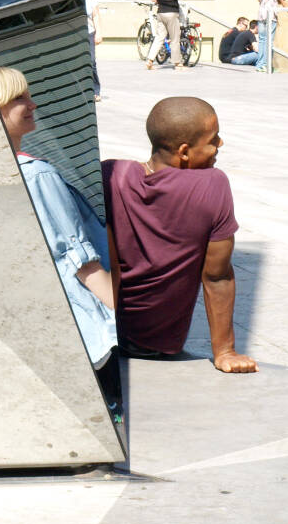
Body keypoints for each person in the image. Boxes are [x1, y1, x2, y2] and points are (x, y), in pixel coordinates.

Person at [102, 96, 258, 373]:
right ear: (184, 151)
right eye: (213, 139)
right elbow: (217, 276)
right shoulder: (212, 185)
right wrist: (225, 352)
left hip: (106, 336)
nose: (220, 144)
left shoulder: (111, 174)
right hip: (156, 345)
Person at [0, 66, 118, 375]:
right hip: (89, 333)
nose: (32, 104)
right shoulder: (37, 174)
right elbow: (79, 260)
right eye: (18, 98)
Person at [146, 0, 185, 71]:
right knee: (175, 38)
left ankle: (150, 60)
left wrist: (162, 0)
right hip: (171, 13)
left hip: (160, 13)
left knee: (159, 38)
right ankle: (177, 63)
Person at [84, 0, 103, 102]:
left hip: (89, 33)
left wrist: (99, 33)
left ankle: (95, 91)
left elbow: (96, 15)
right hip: (76, 34)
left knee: (91, 62)